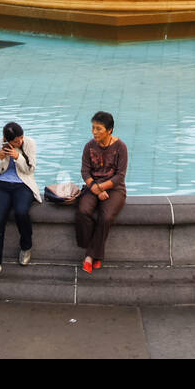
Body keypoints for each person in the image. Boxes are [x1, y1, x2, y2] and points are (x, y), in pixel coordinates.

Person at [0, 120, 40, 281]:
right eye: (16, 141)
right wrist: (0, 158)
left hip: (23, 184)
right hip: (1, 185)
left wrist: (18, 157)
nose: (20, 142)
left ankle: (26, 246)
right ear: (6, 140)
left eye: (21, 138)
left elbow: (30, 170)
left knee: (21, 212)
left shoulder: (29, 143)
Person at [75, 110, 127, 274]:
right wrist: (96, 190)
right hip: (92, 186)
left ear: (109, 130)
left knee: (106, 217)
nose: (94, 132)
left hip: (114, 188)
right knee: (83, 211)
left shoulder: (120, 147)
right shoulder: (89, 146)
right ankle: (95, 251)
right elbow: (85, 172)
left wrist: (102, 188)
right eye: (93, 128)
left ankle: (90, 256)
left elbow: (120, 176)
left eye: (98, 129)